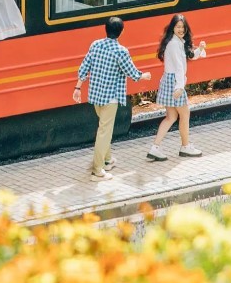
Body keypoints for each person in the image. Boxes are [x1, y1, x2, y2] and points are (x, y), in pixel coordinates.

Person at [73, 17, 151, 181]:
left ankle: (107, 160)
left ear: (105, 29)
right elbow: (131, 72)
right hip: (110, 98)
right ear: (121, 31)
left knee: (103, 129)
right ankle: (97, 171)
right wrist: (144, 76)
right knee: (104, 132)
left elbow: (84, 67)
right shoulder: (120, 51)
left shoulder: (95, 45)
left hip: (95, 96)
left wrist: (78, 87)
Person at [148, 14, 206, 161]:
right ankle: (185, 146)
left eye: (183, 27)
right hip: (175, 82)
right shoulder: (174, 44)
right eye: (178, 27)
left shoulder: (178, 41)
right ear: (173, 28)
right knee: (184, 114)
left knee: (171, 117)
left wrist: (199, 49)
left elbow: (190, 56)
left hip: (170, 80)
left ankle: (155, 148)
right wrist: (180, 87)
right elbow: (179, 68)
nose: (181, 29)